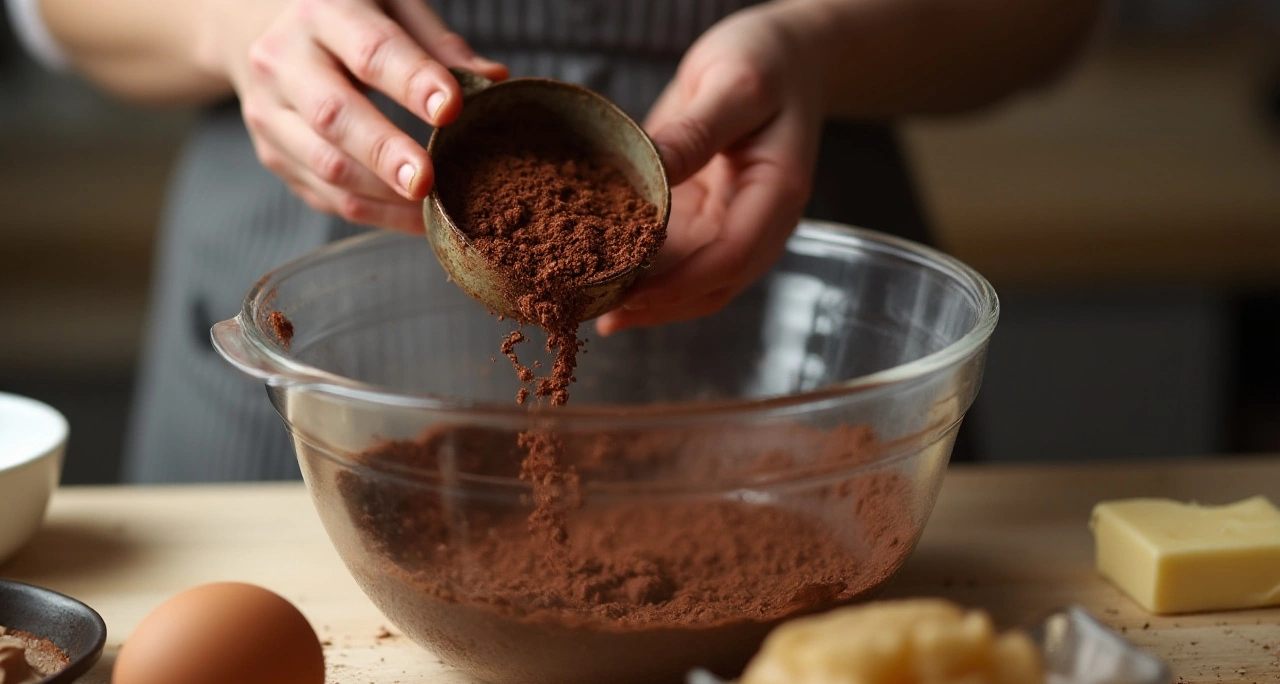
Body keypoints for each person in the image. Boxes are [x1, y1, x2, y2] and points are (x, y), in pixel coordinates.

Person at [6, 0, 1104, 483]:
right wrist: (238, 22)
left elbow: (1045, 16)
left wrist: (815, 38)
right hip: (304, 218)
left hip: (783, 242)